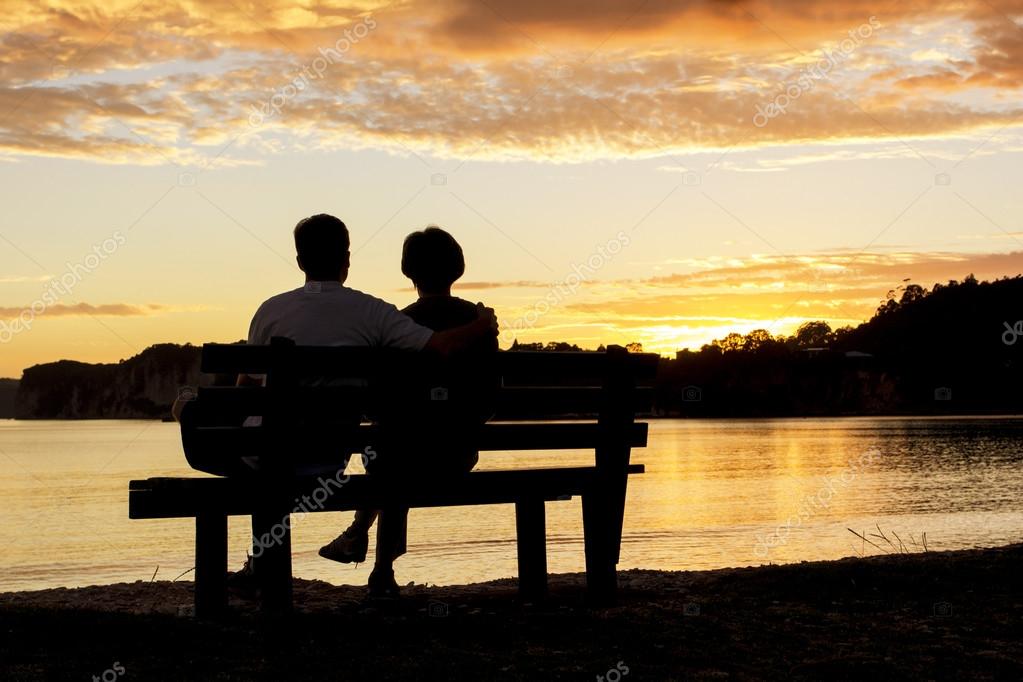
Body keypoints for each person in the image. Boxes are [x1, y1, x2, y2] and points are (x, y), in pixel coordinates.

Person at [318, 226, 498, 598]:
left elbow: (374, 403)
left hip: (398, 455)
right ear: (458, 268)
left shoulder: (395, 323)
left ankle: (374, 558)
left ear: (408, 271)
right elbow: (490, 398)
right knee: (398, 451)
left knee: (393, 453)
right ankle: (366, 550)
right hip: (458, 454)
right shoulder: (479, 324)